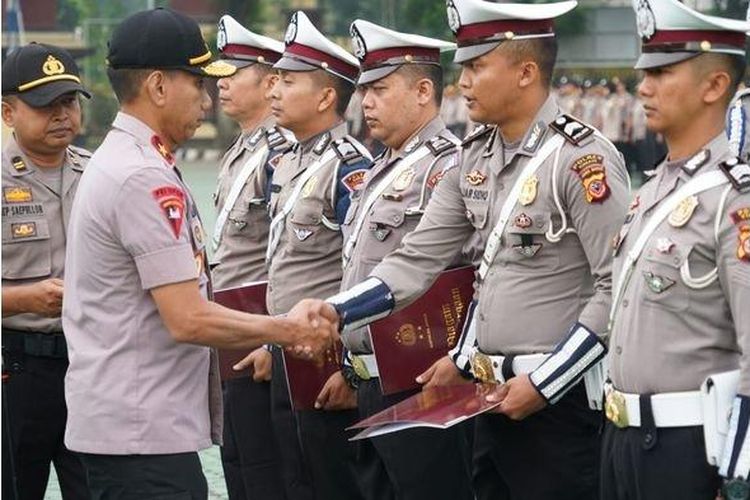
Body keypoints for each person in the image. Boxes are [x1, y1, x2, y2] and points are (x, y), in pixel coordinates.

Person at [297, 0, 631, 498]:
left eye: (476, 65)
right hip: (490, 397)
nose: (463, 80)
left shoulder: (580, 159)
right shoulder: (474, 157)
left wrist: (544, 384)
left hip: (558, 405)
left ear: (525, 71)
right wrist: (334, 310)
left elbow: (617, 287)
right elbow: (418, 261)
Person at [61, 9, 337, 499]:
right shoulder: (141, 177)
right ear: (159, 86)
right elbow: (187, 319)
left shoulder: (123, 160)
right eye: (197, 83)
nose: (207, 99)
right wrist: (285, 330)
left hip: (131, 428)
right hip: (141, 438)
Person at [320, 19, 474, 500]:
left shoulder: (448, 165)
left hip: (424, 379)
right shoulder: (379, 168)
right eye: (364, 90)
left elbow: (472, 276)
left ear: (423, 91)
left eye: (380, 89)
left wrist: (461, 359)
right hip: (371, 379)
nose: (365, 102)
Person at [602, 1, 750, 499]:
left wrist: (736, 476)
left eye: (662, 72)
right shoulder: (651, 191)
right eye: (644, 72)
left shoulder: (735, 197)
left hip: (691, 451)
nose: (643, 87)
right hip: (621, 440)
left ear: (714, 86)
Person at [266, 11, 372, 499]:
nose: (274, 90)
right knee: (294, 479)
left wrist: (348, 366)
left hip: (326, 357)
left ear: (327, 96)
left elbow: (360, 267)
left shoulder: (348, 168)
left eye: (287, 82)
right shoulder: (290, 160)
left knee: (330, 482)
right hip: (286, 351)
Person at [1, 42, 92, 500]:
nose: (62, 115)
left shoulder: (99, 176)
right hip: (16, 370)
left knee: (97, 487)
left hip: (90, 369)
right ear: (7, 112)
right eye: (45, 105)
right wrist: (22, 298)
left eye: (69, 102)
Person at [213, 15, 293, 500]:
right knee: (238, 461)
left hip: (259, 328)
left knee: (265, 472)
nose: (220, 85)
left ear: (268, 82)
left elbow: (288, 255)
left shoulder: (277, 152)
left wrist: (273, 339)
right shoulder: (242, 149)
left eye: (232, 73)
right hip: (230, 327)